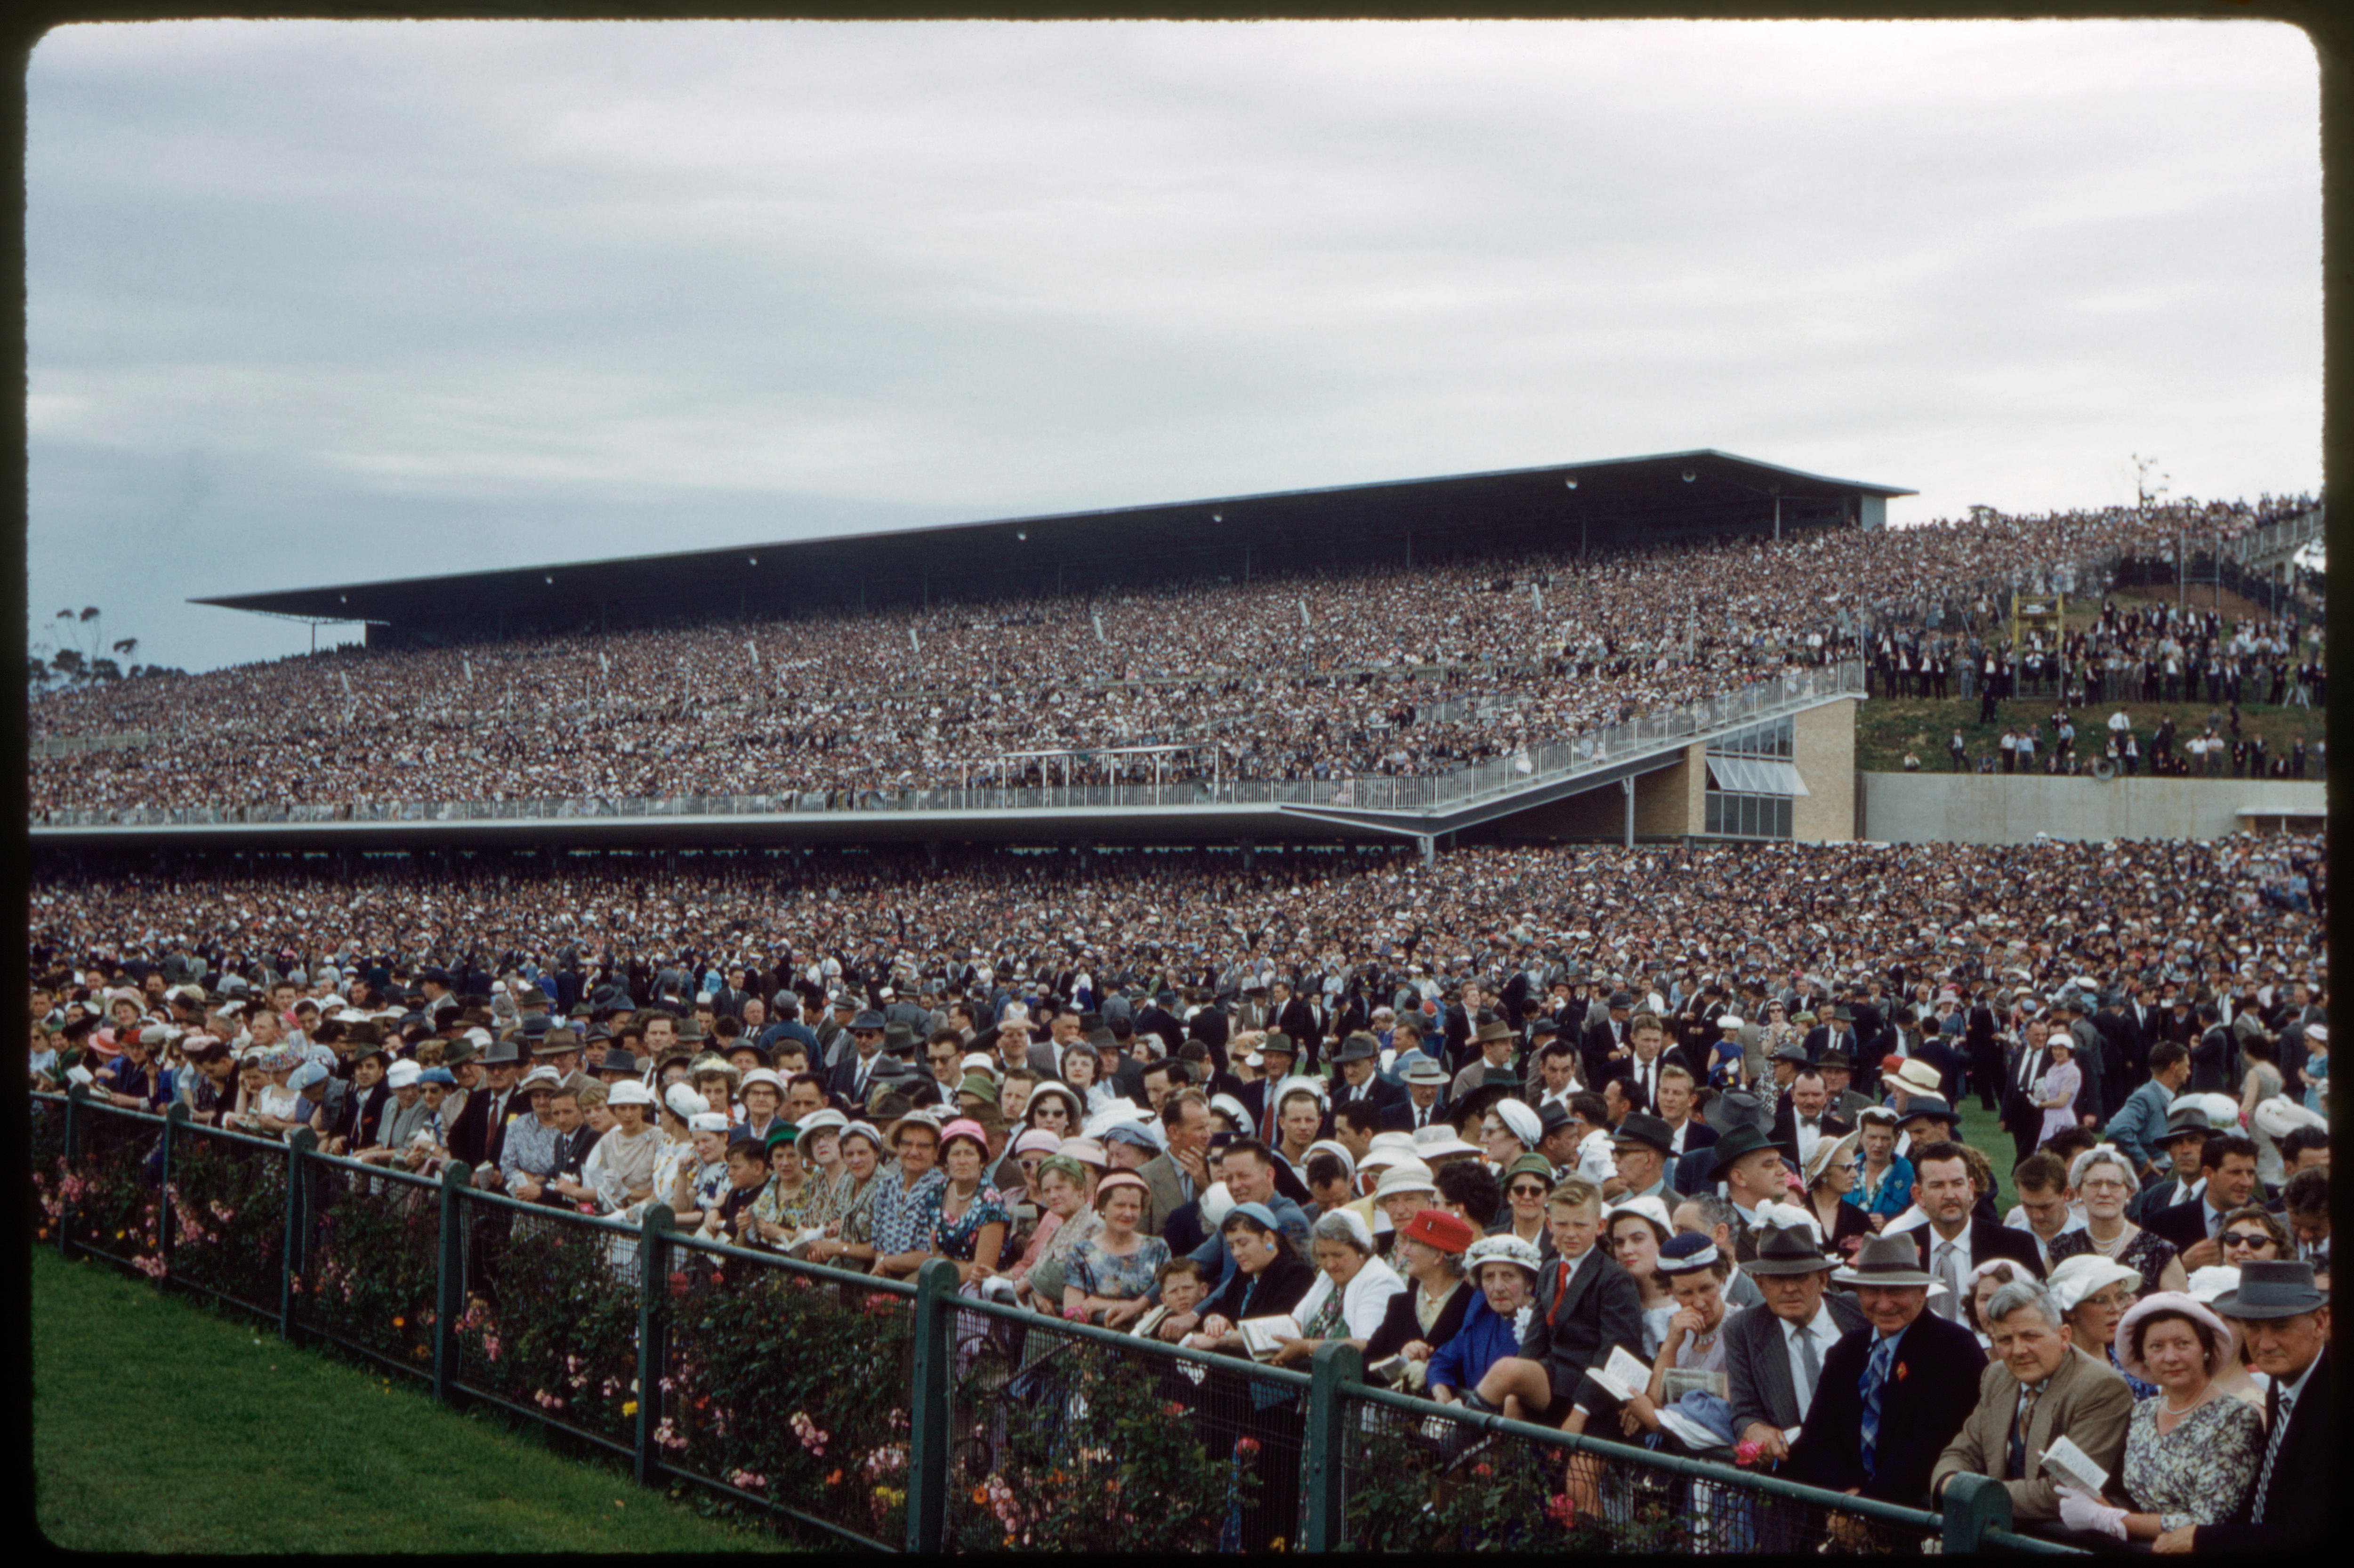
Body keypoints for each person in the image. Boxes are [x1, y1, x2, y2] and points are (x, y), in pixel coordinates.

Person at [1785, 1232, 1983, 1515]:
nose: (1884, 1303)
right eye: (1872, 1291)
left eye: (1896, 1291)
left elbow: (1931, 1445)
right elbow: (1816, 1438)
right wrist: (1846, 1497)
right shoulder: (1846, 1351)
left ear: (1922, 1292)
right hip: (1845, 1514)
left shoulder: (1954, 1349)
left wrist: (1867, 1507)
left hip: (1918, 1517)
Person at [2055, 1291, 2266, 1546]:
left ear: (2206, 1350)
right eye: (2157, 1347)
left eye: (2183, 1344)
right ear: (2144, 1355)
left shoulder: (2236, 1419)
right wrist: (2099, 1503)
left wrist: (2110, 1518)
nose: (2170, 1357)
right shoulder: (2143, 1412)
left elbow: (2208, 1522)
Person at [1930, 1278, 2133, 1525]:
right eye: (2005, 1340)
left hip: (2065, 1539)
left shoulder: (2102, 1387)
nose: (2018, 1350)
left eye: (2031, 1337)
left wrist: (1971, 1493)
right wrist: (1950, 1482)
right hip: (1998, 1531)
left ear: (2064, 1336)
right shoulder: (1997, 1376)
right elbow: (1961, 1453)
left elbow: (2067, 1489)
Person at [1454, 1176, 1643, 1428]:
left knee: (1506, 1369)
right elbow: (1534, 1340)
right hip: (1553, 1377)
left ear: (1600, 1226)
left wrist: (1579, 1414)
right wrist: (1514, 1394)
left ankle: (1455, 1439)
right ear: (1550, 1224)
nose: (1571, 1234)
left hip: (1588, 1387)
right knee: (1508, 1372)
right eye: (1562, 1224)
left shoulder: (1614, 1278)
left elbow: (1614, 1354)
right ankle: (1459, 1444)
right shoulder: (1550, 1270)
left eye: (1580, 1225)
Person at [1911, 1141, 2045, 1321]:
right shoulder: (1904, 1247)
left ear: (1971, 1189)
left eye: (1957, 1184)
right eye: (1937, 1186)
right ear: (1919, 1195)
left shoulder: (2015, 1246)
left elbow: (2044, 1313)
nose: (1950, 1195)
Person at [1266, 1208, 1404, 1365]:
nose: (1330, 1264)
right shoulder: (1328, 1277)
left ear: (1362, 1251)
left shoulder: (1380, 1281)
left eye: (1338, 1255)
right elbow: (1296, 1323)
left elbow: (1367, 1345)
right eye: (1323, 1256)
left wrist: (1306, 1347)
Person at [2045, 1143, 2186, 1296]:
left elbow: (2181, 1307)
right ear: (2079, 1192)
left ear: (2129, 1193)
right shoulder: (2060, 1250)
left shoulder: (2159, 1252)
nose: (2104, 1192)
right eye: (2094, 1184)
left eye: (2114, 1184)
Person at [1361, 1207, 1474, 1394]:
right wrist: (1400, 1361)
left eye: (1413, 1243)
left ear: (1438, 1256)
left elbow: (1477, 1372)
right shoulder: (1400, 1304)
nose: (1405, 1251)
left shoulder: (1474, 1305)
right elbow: (1363, 1365)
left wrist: (1432, 1371)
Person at [1062, 1170, 1169, 1327]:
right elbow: (1074, 1316)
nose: (1128, 1213)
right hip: (1095, 1339)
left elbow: (1166, 1304)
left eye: (1134, 1207)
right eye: (1120, 1205)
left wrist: (1106, 1304)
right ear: (1103, 1206)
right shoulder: (1080, 1253)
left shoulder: (1158, 1249)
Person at [2046, 1253, 2153, 1399]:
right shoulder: (2056, 1368)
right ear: (2070, 1311)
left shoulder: (2130, 1354)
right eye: (2102, 1301)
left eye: (2120, 1297)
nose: (2116, 1308)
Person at [1605, 1194, 1676, 1354]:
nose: (1626, 1250)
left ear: (1662, 1241)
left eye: (1638, 1239)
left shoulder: (1685, 1301)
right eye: (1619, 1242)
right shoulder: (1610, 1301)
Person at [1801, 1129, 1872, 1260]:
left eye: (1855, 1166)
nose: (1855, 1174)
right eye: (1847, 1168)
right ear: (1823, 1172)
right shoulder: (1797, 1212)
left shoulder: (1859, 1218)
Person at [1846, 1106, 1911, 1232]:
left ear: (1896, 1140)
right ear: (1861, 1138)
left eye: (1885, 1138)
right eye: (1872, 1137)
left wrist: (1889, 1226)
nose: (1878, 1144)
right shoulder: (1847, 1169)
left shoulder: (1909, 1175)